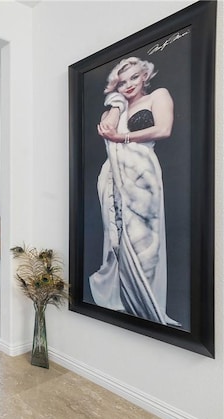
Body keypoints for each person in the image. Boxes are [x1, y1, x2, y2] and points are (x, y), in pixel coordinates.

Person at [91, 56, 179, 326]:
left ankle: (147, 307)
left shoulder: (158, 96)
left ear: (145, 77)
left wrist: (123, 137)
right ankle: (123, 303)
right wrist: (117, 105)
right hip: (113, 178)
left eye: (134, 78)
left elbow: (163, 129)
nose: (128, 85)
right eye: (122, 81)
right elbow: (106, 128)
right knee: (115, 241)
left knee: (145, 245)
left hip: (143, 176)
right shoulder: (115, 108)